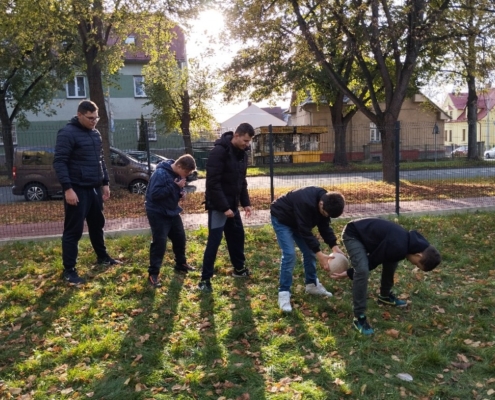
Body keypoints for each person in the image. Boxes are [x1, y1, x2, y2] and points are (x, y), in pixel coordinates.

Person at [332, 217, 442, 335]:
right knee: (362, 271)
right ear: (419, 255)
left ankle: (384, 295)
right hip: (353, 234)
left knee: (393, 259)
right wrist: (350, 273)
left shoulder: (415, 243)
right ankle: (359, 316)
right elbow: (373, 260)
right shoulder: (400, 245)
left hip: (368, 236)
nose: (413, 264)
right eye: (416, 263)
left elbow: (386, 253)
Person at [53, 100, 121, 285]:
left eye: (96, 118)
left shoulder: (95, 134)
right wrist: (68, 189)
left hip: (94, 188)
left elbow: (100, 160)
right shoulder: (67, 133)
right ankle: (69, 270)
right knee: (73, 231)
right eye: (90, 118)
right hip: (76, 190)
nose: (94, 121)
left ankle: (102, 257)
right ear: (80, 115)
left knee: (97, 225)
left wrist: (105, 182)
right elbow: (59, 162)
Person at [198, 122, 255, 292]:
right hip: (218, 207)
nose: (247, 144)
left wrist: (245, 203)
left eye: (249, 141)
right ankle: (204, 280)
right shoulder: (219, 152)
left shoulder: (242, 154)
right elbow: (212, 184)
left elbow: (241, 181)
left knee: (237, 237)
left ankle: (239, 269)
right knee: (214, 243)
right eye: (245, 140)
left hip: (233, 206)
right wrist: (224, 208)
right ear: (236, 135)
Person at [270, 186, 346, 312]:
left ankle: (311, 285)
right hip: (282, 218)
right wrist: (320, 255)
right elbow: (304, 230)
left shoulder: (327, 202)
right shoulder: (305, 201)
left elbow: (324, 227)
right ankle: (284, 293)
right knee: (289, 254)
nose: (326, 216)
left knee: (310, 252)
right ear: (321, 204)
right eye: (325, 214)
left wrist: (334, 246)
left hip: (298, 221)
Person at [145, 154, 197, 287]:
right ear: (179, 166)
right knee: (160, 243)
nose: (185, 176)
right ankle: (153, 274)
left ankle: (181, 263)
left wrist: (181, 192)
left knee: (180, 238)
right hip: (157, 212)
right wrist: (175, 187)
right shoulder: (160, 173)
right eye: (185, 172)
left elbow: (176, 187)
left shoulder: (177, 173)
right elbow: (155, 195)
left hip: (172, 211)